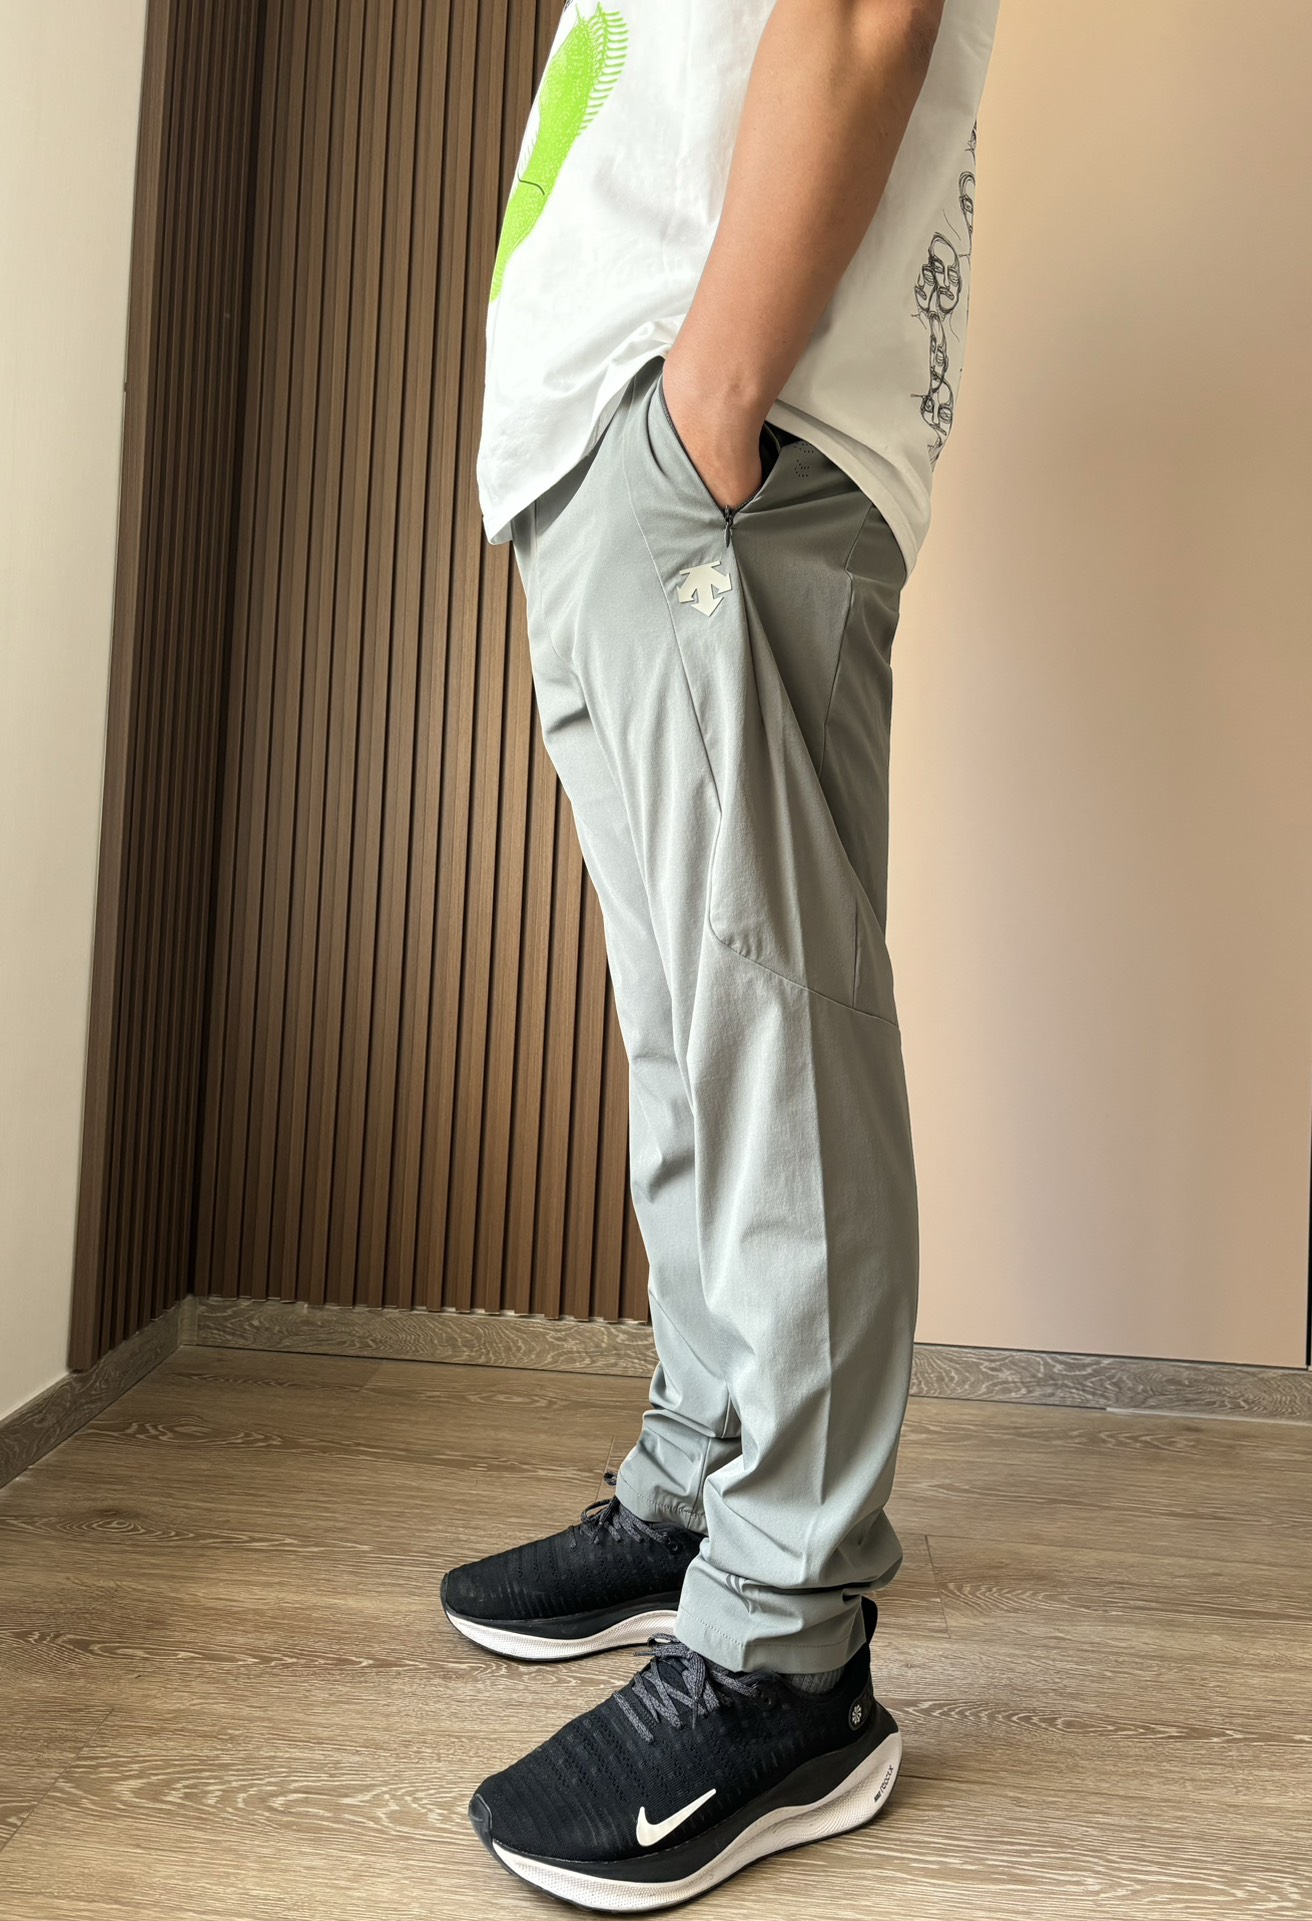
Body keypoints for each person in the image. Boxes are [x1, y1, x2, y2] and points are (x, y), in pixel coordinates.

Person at [443, 0, 998, 1907]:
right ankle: (707, 1481)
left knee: (771, 1029)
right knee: (690, 1028)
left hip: (712, 425)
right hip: (617, 442)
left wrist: (710, 399)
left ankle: (785, 1646)